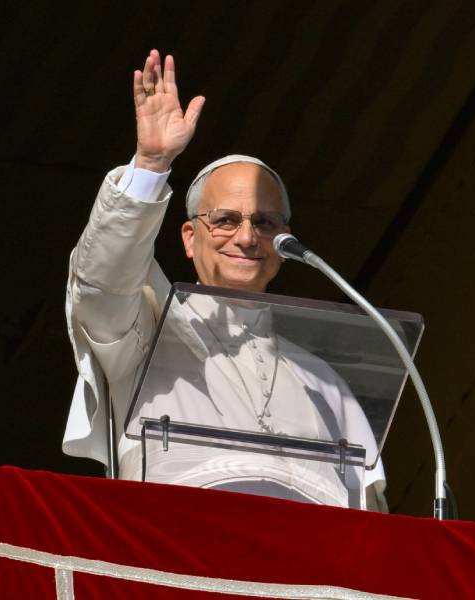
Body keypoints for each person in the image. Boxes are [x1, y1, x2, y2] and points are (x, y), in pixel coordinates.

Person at [62, 50, 386, 510]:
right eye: (226, 220)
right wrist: (151, 164)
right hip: (183, 549)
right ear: (190, 238)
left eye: (267, 223)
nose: (248, 236)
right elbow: (101, 287)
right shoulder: (145, 337)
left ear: (285, 242)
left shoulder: (324, 380)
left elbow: (367, 517)